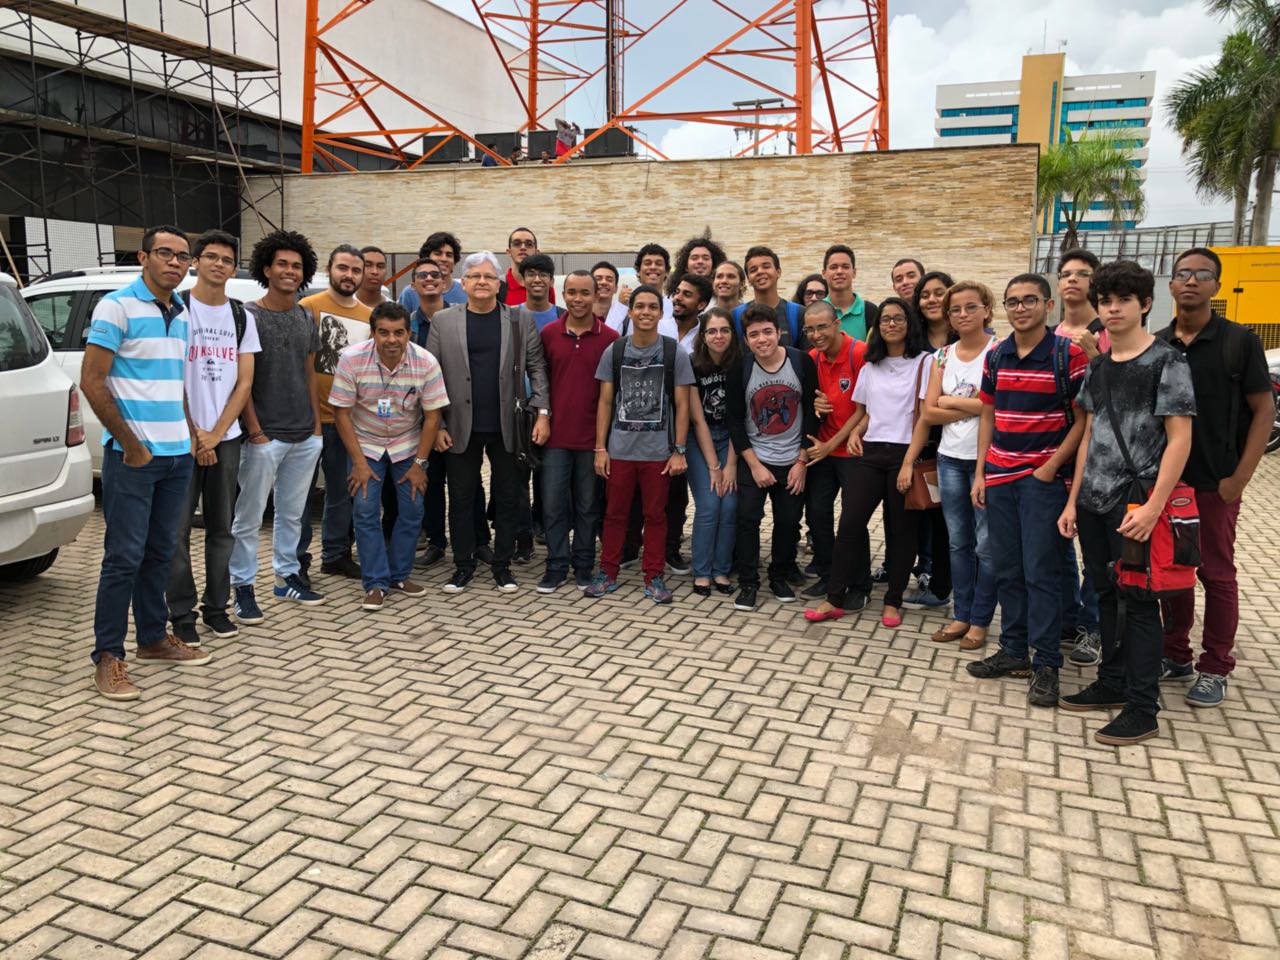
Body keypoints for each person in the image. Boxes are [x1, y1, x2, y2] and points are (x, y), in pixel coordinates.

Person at [1057, 260, 1195, 745]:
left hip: (1137, 504)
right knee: (1104, 594)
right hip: (1093, 501)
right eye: (1106, 301)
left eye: (1123, 301)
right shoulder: (1098, 366)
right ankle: (1111, 681)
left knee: (1138, 604)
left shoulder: (1167, 361)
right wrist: (1073, 501)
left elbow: (1180, 439)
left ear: (1145, 304)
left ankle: (1143, 707)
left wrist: (1155, 508)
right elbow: (1090, 435)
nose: (1113, 309)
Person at [83, 225, 208, 699]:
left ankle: (153, 639)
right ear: (143, 257)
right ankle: (108, 656)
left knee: (160, 553)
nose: (175, 262)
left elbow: (177, 384)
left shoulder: (181, 313)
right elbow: (92, 381)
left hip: (177, 456)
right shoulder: (116, 306)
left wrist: (191, 433)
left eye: (183, 256)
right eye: (165, 253)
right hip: (134, 458)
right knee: (123, 557)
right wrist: (131, 444)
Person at [1156, 247, 1271, 708]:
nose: (1191, 281)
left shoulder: (1238, 341)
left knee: (1216, 573)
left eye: (1202, 274)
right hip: (1168, 484)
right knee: (1173, 572)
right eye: (1183, 273)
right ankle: (1175, 654)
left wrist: (1238, 479)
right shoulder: (1158, 343)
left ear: (1216, 286)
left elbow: (1264, 411)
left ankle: (1216, 666)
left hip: (1214, 483)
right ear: (1170, 284)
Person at [967, 275, 1087, 708]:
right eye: (1013, 302)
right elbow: (988, 414)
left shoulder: (1067, 354)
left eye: (1029, 300)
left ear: (1048, 305)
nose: (1020, 308)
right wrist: (981, 472)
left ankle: (1047, 663)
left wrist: (1050, 468)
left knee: (1041, 573)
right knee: (1008, 570)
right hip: (999, 478)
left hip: (1042, 483)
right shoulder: (996, 354)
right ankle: (1014, 652)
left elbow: (1083, 420)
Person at [427, 251, 550, 592]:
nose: (482, 282)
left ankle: (502, 565)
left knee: (509, 497)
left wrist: (542, 412)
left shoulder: (519, 319)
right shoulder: (443, 321)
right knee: (462, 498)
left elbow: (537, 369)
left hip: (507, 425)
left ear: (499, 284)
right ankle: (463, 565)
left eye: (489, 277)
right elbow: (430, 376)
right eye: (475, 276)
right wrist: (437, 426)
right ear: (463, 282)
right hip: (458, 426)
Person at [804, 299, 928, 627]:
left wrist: (908, 462)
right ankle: (834, 598)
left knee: (900, 530)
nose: (891, 324)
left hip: (905, 453)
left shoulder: (925, 362)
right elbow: (864, 411)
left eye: (898, 318)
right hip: (871, 453)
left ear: (909, 323)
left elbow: (925, 418)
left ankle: (893, 601)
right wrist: (856, 433)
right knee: (850, 524)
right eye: (885, 319)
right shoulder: (871, 365)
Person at [166, 230, 259, 649]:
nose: (218, 264)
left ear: (234, 268)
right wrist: (195, 435)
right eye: (211, 257)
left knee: (222, 528)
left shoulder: (241, 316)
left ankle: (217, 607)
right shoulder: (177, 309)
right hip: (180, 438)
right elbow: (171, 376)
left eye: (226, 260)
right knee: (176, 532)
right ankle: (181, 613)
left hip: (227, 438)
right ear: (195, 262)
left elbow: (244, 382)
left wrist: (216, 435)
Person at [229, 230, 326, 620]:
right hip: (263, 437)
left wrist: (316, 428)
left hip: (304, 434)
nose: (290, 271)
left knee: (292, 513)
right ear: (266, 269)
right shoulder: (248, 316)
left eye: (297, 266)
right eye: (282, 264)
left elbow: (309, 373)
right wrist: (256, 432)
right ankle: (242, 587)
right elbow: (242, 381)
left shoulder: (305, 315)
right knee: (249, 517)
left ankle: (287, 577)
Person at [329, 302, 448, 610]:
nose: (391, 340)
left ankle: (399, 575)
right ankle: (375, 582)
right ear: (373, 333)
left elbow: (432, 417)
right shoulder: (351, 359)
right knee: (365, 510)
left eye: (398, 333)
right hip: (365, 444)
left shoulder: (426, 362)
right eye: (384, 332)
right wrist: (358, 462)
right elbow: (342, 414)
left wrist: (420, 464)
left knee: (413, 508)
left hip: (407, 444)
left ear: (409, 333)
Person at [587, 285, 693, 604]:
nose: (646, 312)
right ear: (630, 311)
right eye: (640, 306)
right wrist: (600, 448)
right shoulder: (615, 350)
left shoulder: (674, 352)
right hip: (620, 450)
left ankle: (654, 576)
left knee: (656, 516)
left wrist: (679, 450)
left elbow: (683, 405)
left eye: (652, 307)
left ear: (661, 313)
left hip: (658, 452)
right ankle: (608, 572)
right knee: (615, 514)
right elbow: (605, 402)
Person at [920, 281, 999, 650]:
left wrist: (952, 401)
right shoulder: (941, 356)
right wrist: (975, 405)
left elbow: (996, 407)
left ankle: (981, 620)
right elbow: (928, 412)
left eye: (971, 307)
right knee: (958, 543)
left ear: (986, 309)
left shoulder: (999, 352)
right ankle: (961, 614)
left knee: (987, 546)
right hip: (949, 459)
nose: (963, 315)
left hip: (987, 462)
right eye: (955, 309)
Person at [727, 303, 819, 611]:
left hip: (792, 459)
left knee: (788, 522)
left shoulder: (801, 362)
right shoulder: (740, 368)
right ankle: (748, 582)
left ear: (779, 332)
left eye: (767, 332)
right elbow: (735, 421)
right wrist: (753, 465)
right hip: (755, 458)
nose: (762, 339)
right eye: (754, 335)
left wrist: (802, 462)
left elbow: (812, 414)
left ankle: (779, 576)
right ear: (746, 339)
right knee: (747, 519)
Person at [538, 270, 618, 592]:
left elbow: (612, 394)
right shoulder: (548, 334)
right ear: (563, 295)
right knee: (553, 505)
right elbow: (541, 382)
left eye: (585, 293)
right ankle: (556, 565)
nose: (578, 299)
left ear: (596, 295)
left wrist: (603, 444)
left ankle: (584, 565)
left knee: (588, 507)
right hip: (555, 438)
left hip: (592, 440)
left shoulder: (610, 338)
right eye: (572, 292)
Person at [296, 244, 371, 583]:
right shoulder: (308, 308)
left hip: (347, 422)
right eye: (343, 268)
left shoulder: (368, 316)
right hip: (307, 420)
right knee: (300, 495)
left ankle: (336, 555)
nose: (349, 275)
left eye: (356, 270)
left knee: (341, 494)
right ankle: (296, 561)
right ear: (329, 270)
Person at [409, 261, 490, 569]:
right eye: (423, 275)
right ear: (413, 285)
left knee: (469, 483)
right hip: (422, 416)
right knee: (431, 481)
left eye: (437, 275)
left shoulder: (461, 317)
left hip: (458, 416)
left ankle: (479, 541)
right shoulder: (408, 323)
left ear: (447, 283)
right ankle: (436, 542)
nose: (430, 279)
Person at [1054, 248, 1105, 667]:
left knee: (1095, 546)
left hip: (1100, 454)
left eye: (1082, 273)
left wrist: (1094, 356)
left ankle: (1094, 625)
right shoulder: (1052, 333)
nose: (1073, 279)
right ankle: (1069, 616)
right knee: (1060, 541)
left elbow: (1121, 389)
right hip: (1057, 452)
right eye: (1066, 273)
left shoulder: (1106, 330)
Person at [801, 299, 867, 600]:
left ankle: (860, 584)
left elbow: (865, 408)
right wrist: (816, 406)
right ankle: (829, 577)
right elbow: (809, 401)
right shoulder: (812, 358)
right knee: (817, 515)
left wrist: (831, 445)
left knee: (853, 519)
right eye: (810, 329)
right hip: (822, 449)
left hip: (851, 450)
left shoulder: (860, 353)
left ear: (837, 324)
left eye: (822, 327)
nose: (816, 335)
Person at [902, 270, 956, 610]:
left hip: (956, 442)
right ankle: (927, 577)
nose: (932, 300)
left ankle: (943, 585)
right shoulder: (911, 342)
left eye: (939, 293)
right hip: (917, 439)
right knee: (923, 514)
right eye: (925, 295)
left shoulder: (968, 341)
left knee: (950, 522)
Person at [687, 307, 742, 596]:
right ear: (703, 335)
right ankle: (702, 571)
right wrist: (714, 466)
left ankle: (721, 570)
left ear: (732, 333)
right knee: (709, 504)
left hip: (732, 440)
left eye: (724, 330)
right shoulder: (692, 364)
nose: (718, 336)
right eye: (712, 331)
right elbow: (697, 419)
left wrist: (730, 465)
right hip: (700, 440)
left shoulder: (742, 364)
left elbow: (739, 420)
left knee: (729, 504)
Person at [733, 246, 806, 348]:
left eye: (766, 266)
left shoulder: (798, 313)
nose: (760, 271)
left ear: (778, 272)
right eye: (753, 270)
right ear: (748, 279)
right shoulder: (736, 316)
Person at [1055, 248, 1107, 358]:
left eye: (1083, 274)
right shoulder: (1050, 335)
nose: (1072, 279)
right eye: (1065, 275)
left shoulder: (1110, 331)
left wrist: (1092, 352)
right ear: (1057, 286)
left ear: (1096, 283)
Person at [400, 231, 468, 313]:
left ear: (454, 261)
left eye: (449, 255)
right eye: (438, 253)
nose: (444, 259)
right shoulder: (409, 293)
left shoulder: (466, 291)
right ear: (427, 257)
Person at [822, 244, 878, 341]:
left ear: (854, 272)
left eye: (845, 267)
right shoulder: (815, 311)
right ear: (824, 273)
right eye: (833, 267)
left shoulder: (870, 311)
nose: (839, 271)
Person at [499, 227, 555, 307]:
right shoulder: (498, 286)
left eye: (529, 244)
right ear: (509, 252)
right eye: (517, 243)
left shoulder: (544, 285)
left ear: (537, 252)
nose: (523, 247)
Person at [593, 260, 629, 331]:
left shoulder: (625, 319)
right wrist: (620, 306)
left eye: (609, 279)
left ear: (616, 288)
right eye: (598, 279)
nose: (603, 282)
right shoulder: (580, 317)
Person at [356, 245, 389, 309]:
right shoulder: (342, 307)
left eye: (380, 266)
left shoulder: (394, 311)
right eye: (368, 265)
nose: (375, 272)